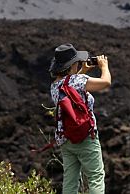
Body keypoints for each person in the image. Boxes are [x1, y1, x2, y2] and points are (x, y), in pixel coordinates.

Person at [49, 43, 112, 194]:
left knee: (70, 180)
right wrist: (104, 66)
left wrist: (83, 71)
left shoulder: (54, 86)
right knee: (95, 177)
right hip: (85, 137)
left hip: (66, 139)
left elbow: (71, 85)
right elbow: (106, 82)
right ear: (72, 65)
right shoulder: (79, 80)